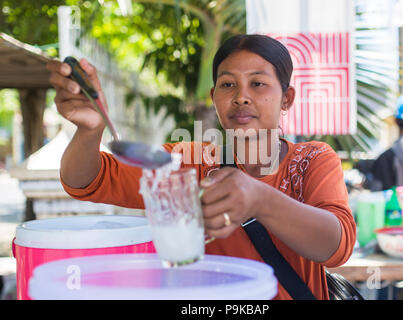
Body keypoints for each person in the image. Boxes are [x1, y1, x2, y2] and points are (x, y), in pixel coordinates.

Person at [46, 34, 355, 300]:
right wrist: (90, 131)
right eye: (228, 84)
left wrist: (259, 198)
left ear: (286, 99)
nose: (241, 97)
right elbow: (87, 180)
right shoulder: (184, 162)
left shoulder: (312, 159)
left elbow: (337, 246)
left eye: (258, 83)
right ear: (214, 97)